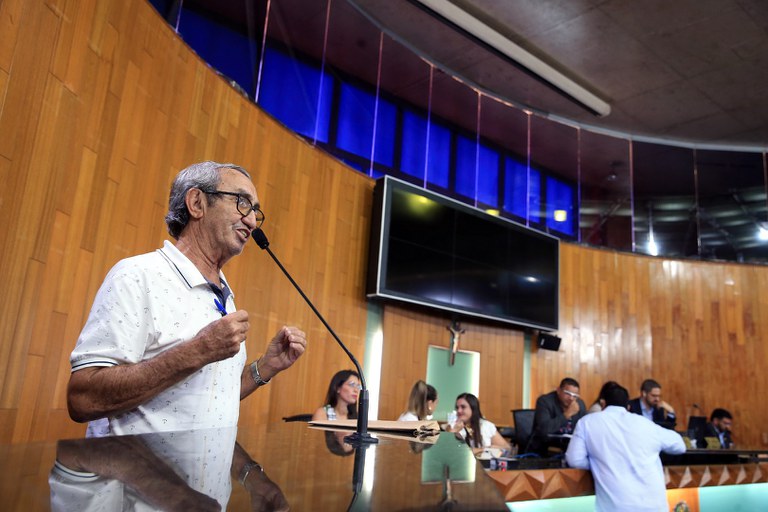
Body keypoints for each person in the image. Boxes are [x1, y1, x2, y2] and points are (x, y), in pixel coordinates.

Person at [66, 161, 307, 436]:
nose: (252, 221)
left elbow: (210, 398)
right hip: (129, 466)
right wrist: (199, 351)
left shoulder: (224, 296)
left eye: (254, 210)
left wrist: (266, 366)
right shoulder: (137, 276)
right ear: (196, 203)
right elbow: (83, 399)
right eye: (242, 202)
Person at [565, 383, 686, 512]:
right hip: (655, 506)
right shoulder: (645, 423)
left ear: (603, 403)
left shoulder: (587, 422)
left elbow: (574, 459)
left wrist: (600, 463)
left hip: (616, 507)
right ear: (628, 407)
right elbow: (680, 446)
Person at [529, 377, 587, 455]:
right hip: (544, 450)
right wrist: (567, 414)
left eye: (575, 396)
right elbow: (545, 430)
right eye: (567, 393)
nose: (571, 398)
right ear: (558, 390)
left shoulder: (580, 404)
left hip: (570, 449)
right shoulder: (544, 401)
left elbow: (584, 429)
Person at [445, 393, 510, 452]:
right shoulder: (453, 426)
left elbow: (507, 448)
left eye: (463, 407)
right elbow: (448, 451)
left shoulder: (486, 425)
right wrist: (453, 431)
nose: (459, 411)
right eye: (457, 407)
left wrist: (490, 448)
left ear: (473, 408)